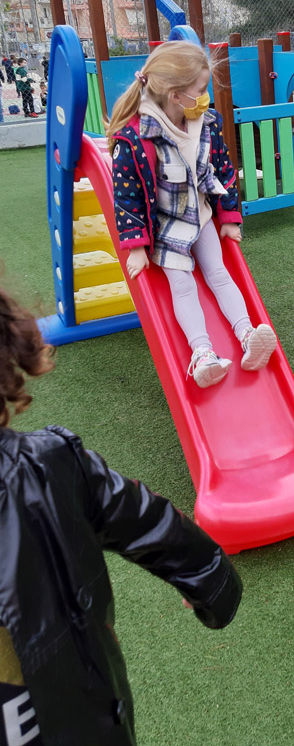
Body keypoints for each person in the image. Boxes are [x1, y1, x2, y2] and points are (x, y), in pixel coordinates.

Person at [0, 285, 243, 745]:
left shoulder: (49, 467)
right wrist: (210, 578)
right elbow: (147, 520)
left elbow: (144, 518)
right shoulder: (48, 466)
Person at [107, 41, 276, 388]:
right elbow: (127, 196)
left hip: (199, 216)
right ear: (175, 95)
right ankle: (202, 353)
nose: (204, 97)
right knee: (183, 285)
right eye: (200, 90)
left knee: (220, 273)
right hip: (166, 227)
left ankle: (247, 335)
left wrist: (228, 217)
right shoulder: (137, 139)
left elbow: (223, 170)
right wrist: (136, 246)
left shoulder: (204, 124)